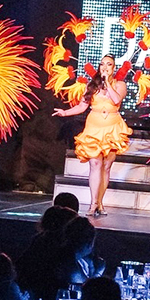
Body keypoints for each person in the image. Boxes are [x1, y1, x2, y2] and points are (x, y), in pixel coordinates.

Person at [52, 54, 132, 217]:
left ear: (114, 68)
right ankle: (93, 203)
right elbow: (82, 106)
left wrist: (107, 83)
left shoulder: (120, 85)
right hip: (94, 127)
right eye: (102, 64)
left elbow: (116, 100)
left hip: (112, 128)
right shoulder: (92, 86)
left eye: (109, 64)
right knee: (95, 164)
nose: (105, 67)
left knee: (106, 166)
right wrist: (65, 112)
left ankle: (100, 203)